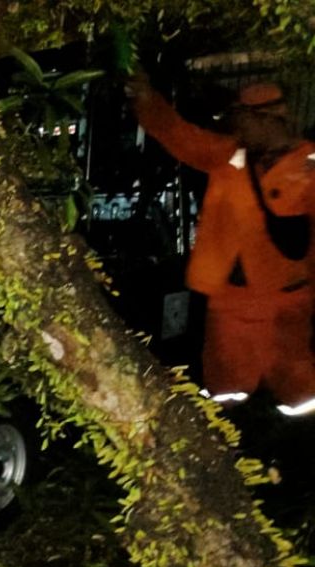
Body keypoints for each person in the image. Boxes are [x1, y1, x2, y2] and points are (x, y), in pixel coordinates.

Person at [127, 74, 315, 415]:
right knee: (226, 390)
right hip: (230, 302)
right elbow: (180, 136)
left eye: (241, 119)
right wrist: (146, 100)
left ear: (267, 118)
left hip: (287, 302)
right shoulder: (227, 154)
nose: (235, 127)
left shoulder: (309, 164)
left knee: (299, 389)